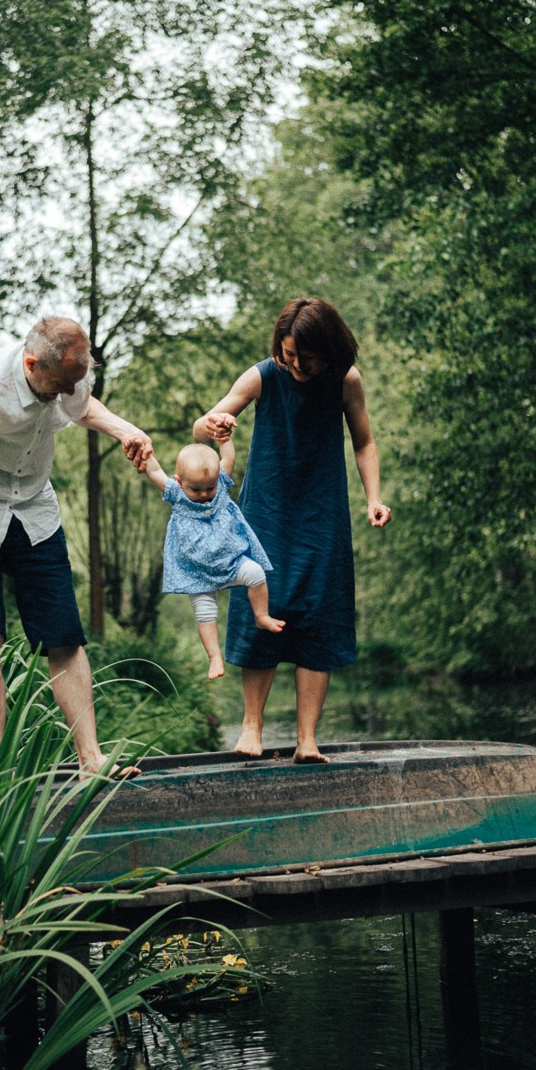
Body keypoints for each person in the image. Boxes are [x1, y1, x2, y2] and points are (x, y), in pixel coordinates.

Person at [0, 316, 151, 776]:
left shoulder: (69, 377)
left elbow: (83, 407)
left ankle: (91, 760)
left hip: (34, 511)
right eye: (59, 385)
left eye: (74, 384)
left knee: (63, 634)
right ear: (31, 364)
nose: (66, 394)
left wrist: (125, 430)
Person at [193, 297, 391, 763]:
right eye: (289, 354)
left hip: (322, 514)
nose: (296, 364)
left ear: (329, 349)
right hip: (265, 511)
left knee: (319, 614)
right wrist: (215, 423)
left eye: (306, 356)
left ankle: (307, 740)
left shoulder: (346, 380)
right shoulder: (263, 374)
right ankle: (251, 729)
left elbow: (364, 441)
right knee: (261, 608)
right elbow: (205, 424)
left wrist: (374, 498)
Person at [142, 435, 285, 680]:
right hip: (196, 571)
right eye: (196, 489)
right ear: (179, 481)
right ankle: (214, 657)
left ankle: (261, 616)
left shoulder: (219, 483)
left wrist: (225, 438)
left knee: (256, 573)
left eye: (210, 488)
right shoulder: (176, 493)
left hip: (231, 561)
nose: (205, 494)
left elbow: (229, 457)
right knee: (205, 612)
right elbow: (154, 472)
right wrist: (146, 454)